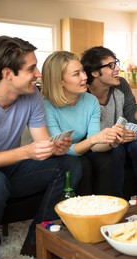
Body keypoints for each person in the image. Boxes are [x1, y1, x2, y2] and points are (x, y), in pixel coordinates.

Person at [0, 36, 82, 259]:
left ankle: (37, 241)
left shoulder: (32, 97)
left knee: (70, 165)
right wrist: (25, 152)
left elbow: (42, 144)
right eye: (32, 69)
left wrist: (56, 147)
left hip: (8, 169)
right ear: (7, 73)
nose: (39, 74)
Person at [42, 51, 125, 196]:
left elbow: (95, 145)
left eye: (83, 71)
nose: (85, 77)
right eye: (76, 74)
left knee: (107, 160)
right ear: (59, 80)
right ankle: (82, 213)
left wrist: (112, 140)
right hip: (55, 154)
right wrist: (94, 140)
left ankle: (107, 210)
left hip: (80, 149)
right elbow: (62, 149)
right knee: (82, 165)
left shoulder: (90, 100)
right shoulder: (46, 106)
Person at [81, 46, 137, 197]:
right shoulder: (84, 94)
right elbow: (86, 136)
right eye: (111, 66)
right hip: (96, 143)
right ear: (95, 72)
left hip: (121, 138)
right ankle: (117, 200)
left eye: (116, 63)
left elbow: (133, 120)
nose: (117, 69)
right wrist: (114, 138)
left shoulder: (121, 84)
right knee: (117, 151)